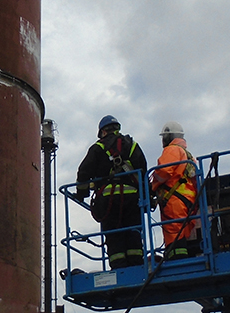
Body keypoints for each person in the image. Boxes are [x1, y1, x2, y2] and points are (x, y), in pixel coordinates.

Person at [76, 115, 148, 269]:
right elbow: (143, 171)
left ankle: (119, 268)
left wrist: (81, 194)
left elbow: (83, 172)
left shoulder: (98, 148)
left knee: (114, 235)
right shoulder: (133, 145)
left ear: (103, 132)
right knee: (133, 232)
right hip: (132, 199)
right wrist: (147, 196)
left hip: (108, 200)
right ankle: (136, 266)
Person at [149, 121, 199, 260]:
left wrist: (152, 186)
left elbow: (163, 171)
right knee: (182, 233)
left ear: (169, 136)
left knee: (174, 233)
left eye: (163, 137)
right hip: (188, 202)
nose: (162, 141)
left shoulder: (172, 150)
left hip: (174, 202)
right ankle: (181, 258)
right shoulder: (189, 156)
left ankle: (176, 261)